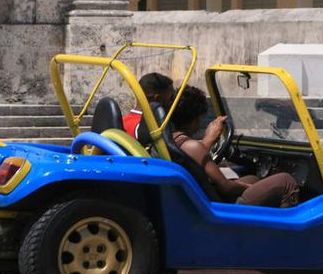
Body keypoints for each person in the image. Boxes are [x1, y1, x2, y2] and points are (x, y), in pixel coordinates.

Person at [169, 85, 300, 208]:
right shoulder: (193, 146)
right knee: (285, 181)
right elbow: (226, 187)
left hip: (207, 197)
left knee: (254, 178)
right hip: (220, 209)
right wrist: (250, 188)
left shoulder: (173, 140)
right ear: (195, 118)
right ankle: (283, 231)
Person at [123, 72, 174, 139]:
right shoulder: (149, 128)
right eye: (170, 99)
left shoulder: (122, 122)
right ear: (157, 99)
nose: (172, 104)